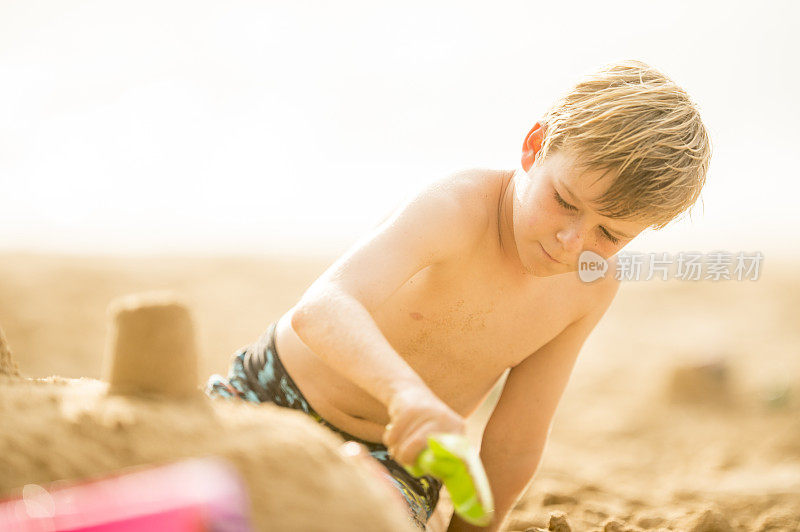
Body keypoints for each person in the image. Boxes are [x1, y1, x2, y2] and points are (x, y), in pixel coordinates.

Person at [206, 59, 712, 531]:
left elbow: (515, 441)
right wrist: (407, 395)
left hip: (398, 460)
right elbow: (323, 308)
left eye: (610, 235)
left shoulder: (590, 285)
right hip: (269, 395)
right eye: (564, 202)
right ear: (534, 147)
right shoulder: (456, 207)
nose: (572, 241)